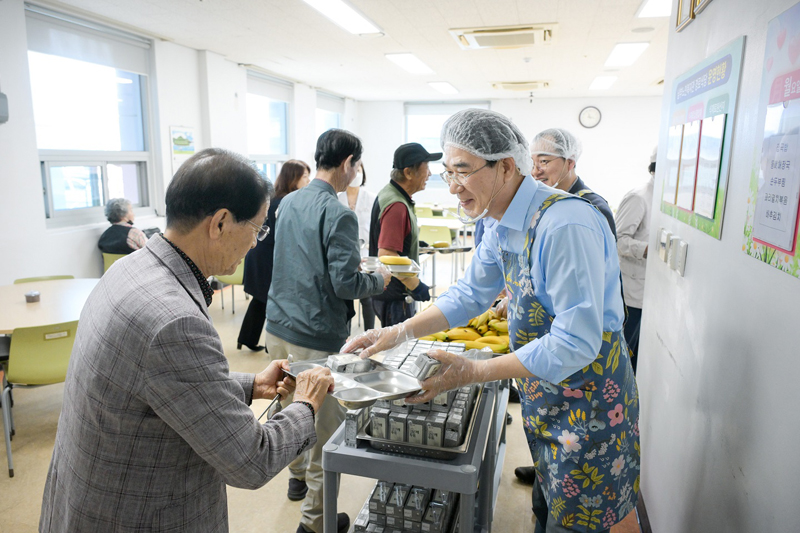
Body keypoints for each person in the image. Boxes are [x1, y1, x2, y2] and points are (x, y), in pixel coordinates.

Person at [344, 109, 640, 533]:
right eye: (448, 173)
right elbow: (470, 294)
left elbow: (575, 341)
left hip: (589, 401)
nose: (453, 187)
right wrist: (397, 332)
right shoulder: (500, 221)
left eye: (463, 171)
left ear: (505, 166)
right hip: (547, 394)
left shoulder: (565, 225)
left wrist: (475, 372)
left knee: (586, 520)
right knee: (554, 508)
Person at [40, 148, 335, 533]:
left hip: (85, 503)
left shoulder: (130, 269)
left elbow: (158, 385)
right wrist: (306, 404)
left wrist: (251, 385)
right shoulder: (175, 322)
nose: (255, 243)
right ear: (221, 223)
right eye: (257, 228)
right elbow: (251, 460)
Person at [265, 129, 391, 533]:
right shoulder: (339, 214)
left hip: (277, 327)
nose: (357, 172)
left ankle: (296, 479)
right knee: (325, 433)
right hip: (315, 337)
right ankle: (315, 523)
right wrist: (380, 279)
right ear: (348, 163)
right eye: (358, 165)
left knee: (290, 410)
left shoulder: (288, 202)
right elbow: (345, 283)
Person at [514, 128, 619, 486]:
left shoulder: (585, 211)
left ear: (570, 162)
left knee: (579, 469)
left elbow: (584, 295)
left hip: (582, 361)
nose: (536, 170)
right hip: (550, 357)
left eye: (545, 161)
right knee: (551, 452)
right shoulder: (542, 208)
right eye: (533, 161)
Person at [238, 159, 311, 351]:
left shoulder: (276, 198)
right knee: (270, 300)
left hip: (261, 254)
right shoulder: (285, 202)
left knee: (261, 299)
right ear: (293, 178)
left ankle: (248, 339)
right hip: (268, 257)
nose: (308, 180)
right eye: (305, 176)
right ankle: (270, 344)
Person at [368, 142, 435, 327]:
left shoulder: (390, 193)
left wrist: (412, 243)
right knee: (399, 344)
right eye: (426, 167)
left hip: (388, 293)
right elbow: (387, 254)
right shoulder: (397, 205)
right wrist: (415, 285)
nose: (430, 173)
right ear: (408, 172)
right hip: (396, 297)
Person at [530, 128, 617, 237]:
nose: (535, 172)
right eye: (532, 163)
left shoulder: (593, 208)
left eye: (544, 161)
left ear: (569, 162)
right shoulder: (540, 203)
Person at [615, 148, 656, 372]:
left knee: (640, 354)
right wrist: (649, 249)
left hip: (651, 289)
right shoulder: (639, 197)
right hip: (631, 291)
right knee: (626, 352)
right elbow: (618, 240)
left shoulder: (664, 199)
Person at [338, 163, 378, 331]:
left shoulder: (372, 198)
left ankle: (369, 333)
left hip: (365, 252)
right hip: (342, 254)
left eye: (360, 170)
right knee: (344, 298)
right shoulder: (337, 198)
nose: (357, 174)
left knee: (367, 298)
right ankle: (344, 336)